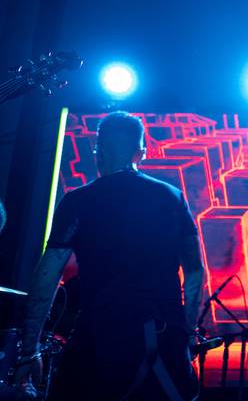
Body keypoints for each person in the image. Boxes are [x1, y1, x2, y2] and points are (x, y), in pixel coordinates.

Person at [14, 111, 204, 400]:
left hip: (99, 339)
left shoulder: (78, 201)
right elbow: (194, 272)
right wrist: (187, 332)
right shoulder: (172, 197)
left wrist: (30, 351)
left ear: (98, 150)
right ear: (141, 152)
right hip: (162, 338)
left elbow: (47, 276)